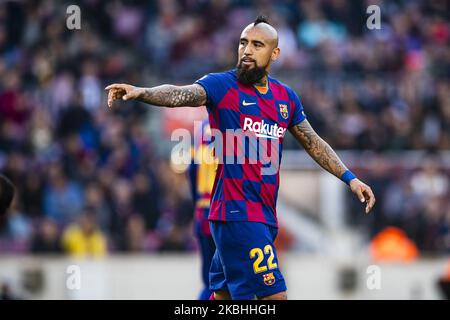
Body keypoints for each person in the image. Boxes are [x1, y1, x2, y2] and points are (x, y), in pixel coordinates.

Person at [105, 15, 376, 300]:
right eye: (243, 42)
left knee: (222, 297)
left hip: (262, 215)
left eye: (257, 45)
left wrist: (350, 178)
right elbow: (181, 94)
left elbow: (313, 142)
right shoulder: (222, 86)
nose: (247, 50)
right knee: (275, 297)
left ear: (275, 54)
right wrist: (142, 92)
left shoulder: (285, 98)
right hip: (238, 213)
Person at [188, 119, 217, 300]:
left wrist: (196, 203)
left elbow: (191, 170)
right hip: (225, 213)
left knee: (209, 281)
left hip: (203, 212)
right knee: (232, 280)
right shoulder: (232, 121)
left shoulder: (199, 128)